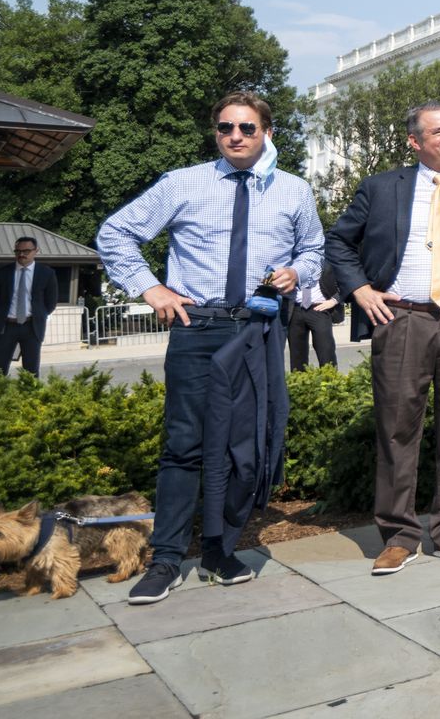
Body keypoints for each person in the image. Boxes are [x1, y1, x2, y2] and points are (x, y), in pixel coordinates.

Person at [98, 92, 324, 603]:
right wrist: (151, 288)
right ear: (215, 133)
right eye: (226, 128)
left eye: (246, 128)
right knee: (185, 445)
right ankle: (168, 559)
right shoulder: (183, 183)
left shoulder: (293, 191)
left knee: (248, 444)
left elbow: (314, 248)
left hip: (259, 331)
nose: (236, 137)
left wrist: (298, 272)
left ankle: (221, 549)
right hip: (197, 328)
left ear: (266, 132)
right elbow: (115, 233)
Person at [326, 102, 440, 576]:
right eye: (439, 131)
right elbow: (339, 242)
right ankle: (399, 536)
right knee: (397, 429)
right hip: (403, 320)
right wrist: (361, 290)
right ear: (414, 142)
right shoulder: (382, 188)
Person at [0, 235, 57, 376]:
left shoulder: (47, 273)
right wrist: (0, 317)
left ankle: (29, 396)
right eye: (18, 251)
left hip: (32, 327)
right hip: (6, 327)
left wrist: (38, 316)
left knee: (31, 371)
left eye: (26, 251)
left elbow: (51, 303)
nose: (21, 254)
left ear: (36, 251)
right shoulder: (1, 272)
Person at [285, 263, 340, 371]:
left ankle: (330, 383)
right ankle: (299, 385)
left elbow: (346, 280)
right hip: (295, 308)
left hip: (319, 308)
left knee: (326, 350)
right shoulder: (290, 259)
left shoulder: (326, 258)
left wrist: (334, 300)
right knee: (297, 354)